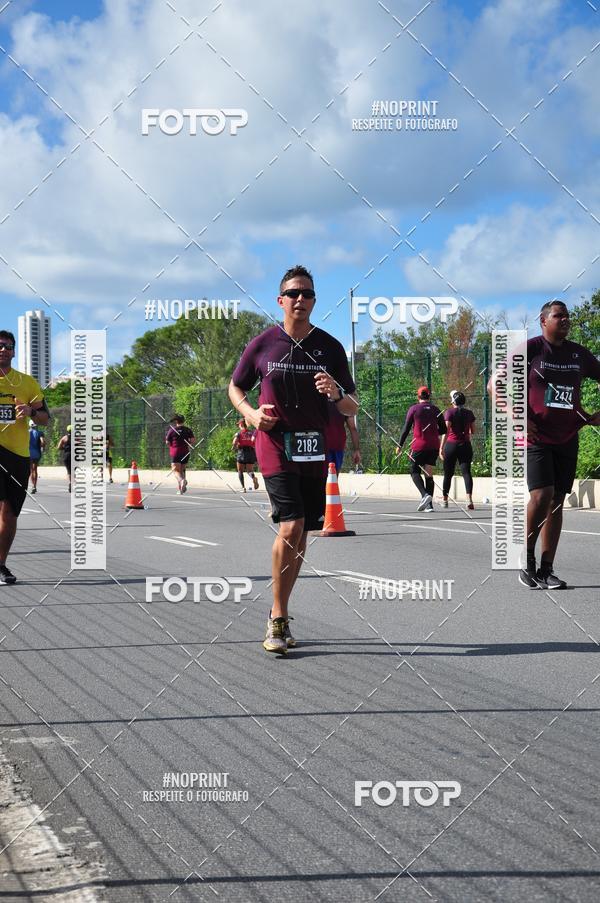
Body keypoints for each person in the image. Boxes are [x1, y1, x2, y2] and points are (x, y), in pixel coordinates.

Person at [229, 265, 358, 655]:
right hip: (274, 444)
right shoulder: (264, 344)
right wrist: (251, 416)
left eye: (307, 294)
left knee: (301, 535)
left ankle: (279, 612)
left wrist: (334, 392)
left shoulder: (330, 347)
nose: (300, 299)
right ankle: (278, 617)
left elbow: (352, 405)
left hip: (313, 449)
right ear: (280, 300)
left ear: (315, 301)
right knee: (292, 525)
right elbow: (235, 386)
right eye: (293, 293)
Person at [509, 300, 600, 589]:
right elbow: (494, 384)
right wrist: (517, 416)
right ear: (543, 320)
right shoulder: (532, 348)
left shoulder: (578, 354)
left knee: (557, 501)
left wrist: (591, 415)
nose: (565, 320)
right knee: (542, 495)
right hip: (536, 436)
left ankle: (547, 570)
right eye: (559, 316)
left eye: (567, 316)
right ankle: (527, 562)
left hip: (567, 436)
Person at [0, 329, 49, 584]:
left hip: (17, 455)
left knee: (10, 513)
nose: (3, 349)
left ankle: (1, 564)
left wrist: (30, 410)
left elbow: (45, 419)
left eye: (8, 346)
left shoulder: (27, 383)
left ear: (14, 351)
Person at [396, 386, 445, 511]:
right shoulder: (436, 409)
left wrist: (399, 445)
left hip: (419, 445)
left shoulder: (414, 409)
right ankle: (429, 506)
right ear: (429, 396)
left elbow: (406, 429)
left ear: (418, 397)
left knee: (414, 471)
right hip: (434, 445)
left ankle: (425, 495)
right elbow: (444, 430)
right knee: (428, 473)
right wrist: (433, 432)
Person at [440, 390, 476, 510]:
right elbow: (473, 430)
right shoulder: (469, 413)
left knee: (448, 474)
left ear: (453, 401)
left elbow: (446, 431)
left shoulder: (449, 412)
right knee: (466, 472)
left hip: (451, 445)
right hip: (465, 444)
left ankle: (445, 500)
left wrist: (441, 447)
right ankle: (469, 499)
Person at [325, 406, 362, 474]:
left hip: (333, 446)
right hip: (327, 446)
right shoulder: (343, 399)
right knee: (331, 478)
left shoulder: (344, 400)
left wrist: (357, 450)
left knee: (330, 478)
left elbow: (352, 428)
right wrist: (356, 450)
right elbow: (352, 428)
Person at [165, 414, 195, 494]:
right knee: (182, 470)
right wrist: (187, 443)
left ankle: (182, 481)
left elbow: (167, 442)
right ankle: (181, 489)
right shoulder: (188, 430)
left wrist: (172, 446)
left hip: (175, 452)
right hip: (185, 452)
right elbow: (192, 440)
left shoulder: (172, 430)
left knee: (175, 470)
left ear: (176, 421)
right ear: (183, 421)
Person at [232, 419, 259, 491]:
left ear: (241, 424)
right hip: (251, 452)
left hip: (242, 452)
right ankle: (253, 478)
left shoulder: (239, 433)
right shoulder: (252, 432)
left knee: (240, 471)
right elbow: (255, 440)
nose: (238, 426)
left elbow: (234, 442)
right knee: (249, 470)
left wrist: (233, 447)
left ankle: (243, 487)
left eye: (239, 425)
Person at [29, 420, 45, 493]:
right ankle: (34, 486)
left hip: (28, 453)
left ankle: (31, 485)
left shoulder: (27, 432)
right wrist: (42, 448)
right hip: (37, 453)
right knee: (35, 470)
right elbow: (42, 442)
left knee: (31, 470)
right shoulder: (40, 433)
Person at [57, 425, 72, 492]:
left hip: (67, 455)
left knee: (69, 471)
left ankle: (70, 483)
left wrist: (65, 448)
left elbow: (58, 447)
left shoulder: (64, 438)